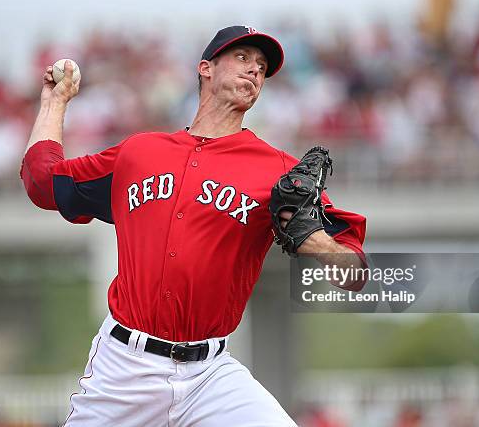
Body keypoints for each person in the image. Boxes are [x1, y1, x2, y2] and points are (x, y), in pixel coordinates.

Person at [20, 25, 366, 426]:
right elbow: (43, 184)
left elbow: (354, 274)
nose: (254, 70)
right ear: (206, 68)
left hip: (210, 376)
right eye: (242, 58)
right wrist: (54, 101)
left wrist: (318, 243)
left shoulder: (278, 172)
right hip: (123, 371)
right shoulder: (140, 154)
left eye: (261, 66)